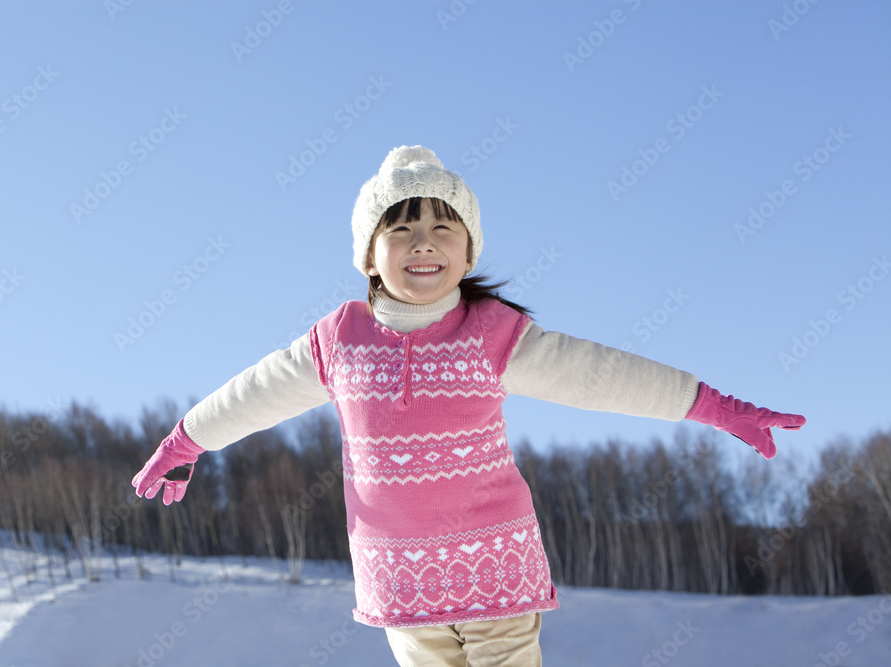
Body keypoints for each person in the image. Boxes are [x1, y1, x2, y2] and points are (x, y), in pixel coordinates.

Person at [132, 145, 805, 666]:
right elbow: (256, 392)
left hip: (495, 567)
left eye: (442, 227)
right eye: (401, 229)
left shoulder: (491, 331)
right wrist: (187, 440)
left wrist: (716, 406)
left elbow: (603, 375)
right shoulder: (339, 339)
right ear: (370, 254)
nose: (423, 242)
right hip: (401, 585)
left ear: (467, 248)